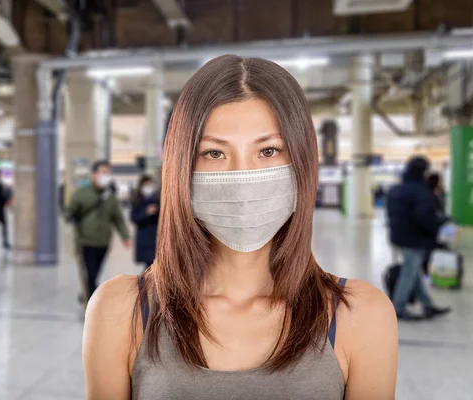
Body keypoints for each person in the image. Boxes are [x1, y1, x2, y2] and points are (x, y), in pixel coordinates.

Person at [83, 56, 398, 400]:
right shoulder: (120, 310)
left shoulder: (362, 315)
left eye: (268, 150)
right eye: (214, 153)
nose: (242, 177)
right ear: (181, 169)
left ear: (303, 163)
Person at [386, 156, 451, 320]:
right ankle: (398, 308)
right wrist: (438, 227)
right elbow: (424, 216)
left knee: (413, 271)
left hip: (398, 237)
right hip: (414, 239)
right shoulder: (420, 191)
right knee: (409, 272)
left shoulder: (396, 188)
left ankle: (428, 304)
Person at [66, 161, 131, 304]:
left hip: (104, 241)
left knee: (95, 273)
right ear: (94, 175)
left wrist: (126, 237)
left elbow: (118, 218)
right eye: (102, 172)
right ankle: (89, 302)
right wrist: (71, 216)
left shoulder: (111, 197)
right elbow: (68, 213)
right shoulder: (81, 194)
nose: (105, 176)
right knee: (90, 272)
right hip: (85, 240)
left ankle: (87, 294)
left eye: (108, 173)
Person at [130, 175, 160, 271]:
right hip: (143, 237)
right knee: (149, 265)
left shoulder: (158, 199)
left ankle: (147, 283)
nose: (149, 187)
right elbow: (134, 218)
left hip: (156, 236)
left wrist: (157, 210)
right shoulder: (137, 200)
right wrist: (146, 213)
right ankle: (145, 284)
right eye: (146, 184)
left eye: (151, 184)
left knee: (154, 265)